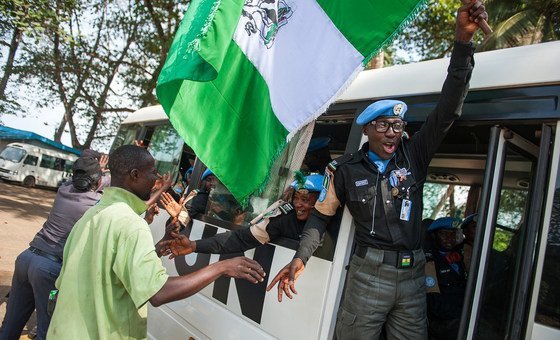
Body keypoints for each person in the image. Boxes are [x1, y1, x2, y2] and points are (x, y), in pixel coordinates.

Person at [266, 2, 487, 339]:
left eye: (397, 125)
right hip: (368, 277)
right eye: (383, 125)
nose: (392, 132)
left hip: (413, 277)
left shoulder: (414, 155)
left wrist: (463, 41)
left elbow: (449, 107)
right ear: (366, 131)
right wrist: (301, 258)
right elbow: (320, 216)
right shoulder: (342, 169)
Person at [46, 145, 265, 339]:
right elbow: (159, 293)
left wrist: (154, 251)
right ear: (134, 175)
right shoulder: (130, 223)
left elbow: (101, 269)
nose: (156, 177)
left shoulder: (94, 213)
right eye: (152, 171)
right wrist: (222, 267)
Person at [0, 156, 103, 340]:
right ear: (98, 180)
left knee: (11, 323)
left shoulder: (64, 189)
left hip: (26, 258)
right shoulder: (95, 202)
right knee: (46, 329)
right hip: (48, 270)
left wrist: (98, 172)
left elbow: (88, 182)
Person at [159, 173, 323, 257]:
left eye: (307, 200)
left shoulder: (334, 220)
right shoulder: (283, 217)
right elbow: (240, 239)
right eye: (297, 199)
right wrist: (194, 246)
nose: (299, 205)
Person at [425, 217, 467, 340]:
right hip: (442, 322)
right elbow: (434, 304)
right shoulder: (429, 262)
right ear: (434, 236)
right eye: (444, 234)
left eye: (453, 234)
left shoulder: (460, 256)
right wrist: (464, 312)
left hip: (460, 315)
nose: (449, 238)